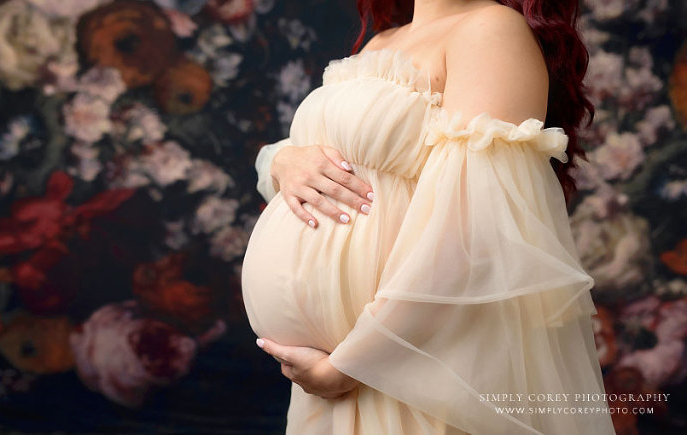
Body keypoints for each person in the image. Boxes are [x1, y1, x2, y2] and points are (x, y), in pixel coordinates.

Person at [241, 0, 618, 433]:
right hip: (336, 382)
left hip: (415, 367)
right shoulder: (381, 43)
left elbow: (472, 229)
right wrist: (284, 161)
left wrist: (351, 365)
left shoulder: (491, 29)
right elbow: (322, 171)